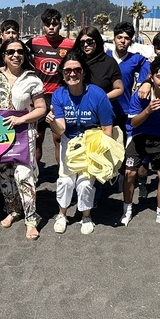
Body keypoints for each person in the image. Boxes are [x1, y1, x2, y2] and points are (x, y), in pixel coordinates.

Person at [0, 39, 47, 239]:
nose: (15, 55)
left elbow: (41, 108)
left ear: (25, 54)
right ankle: (13, 210)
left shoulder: (32, 79)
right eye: (10, 51)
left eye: (20, 51)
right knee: (4, 177)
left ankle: (31, 219)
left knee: (24, 176)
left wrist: (21, 118)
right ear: (3, 55)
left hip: (24, 134)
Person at [50, 53, 114, 235]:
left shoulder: (97, 94)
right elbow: (60, 129)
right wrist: (51, 121)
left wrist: (100, 153)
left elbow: (107, 128)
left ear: (83, 72)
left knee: (86, 183)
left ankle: (86, 216)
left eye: (76, 70)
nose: (72, 74)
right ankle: (62, 214)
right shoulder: (59, 95)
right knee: (65, 180)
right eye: (67, 70)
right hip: (69, 142)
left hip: (92, 143)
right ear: (62, 74)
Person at [121, 56, 160, 228]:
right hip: (138, 135)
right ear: (151, 76)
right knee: (130, 173)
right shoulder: (141, 95)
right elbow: (133, 123)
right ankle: (127, 210)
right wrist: (148, 110)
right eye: (159, 76)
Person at [26, 8, 75, 166]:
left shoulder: (69, 44)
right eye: (47, 25)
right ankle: (34, 175)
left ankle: (62, 175)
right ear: (43, 26)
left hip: (59, 97)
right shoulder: (34, 42)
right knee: (36, 140)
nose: (51, 27)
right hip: (39, 98)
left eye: (54, 24)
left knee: (58, 139)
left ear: (60, 24)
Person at [75, 27, 124, 125]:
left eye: (89, 41)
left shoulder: (109, 62)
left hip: (101, 118)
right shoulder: (75, 61)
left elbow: (119, 89)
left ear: (97, 41)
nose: (85, 45)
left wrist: (100, 99)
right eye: (82, 42)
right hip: (76, 113)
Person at [107, 22, 148, 129]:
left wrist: (143, 82)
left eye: (127, 38)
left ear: (130, 41)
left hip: (124, 110)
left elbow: (149, 65)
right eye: (119, 37)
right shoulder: (105, 57)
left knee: (120, 144)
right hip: (104, 108)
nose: (122, 41)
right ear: (114, 39)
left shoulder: (136, 59)